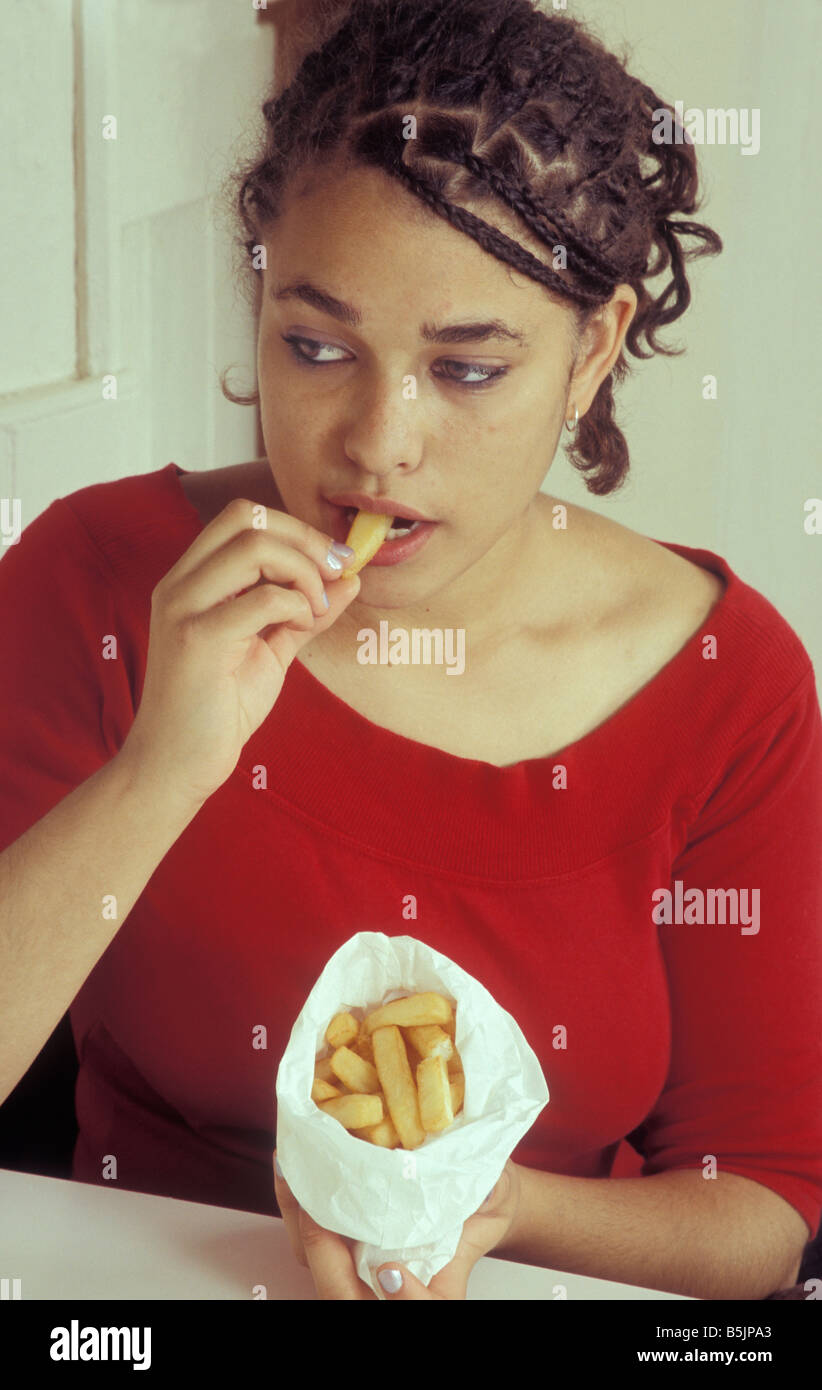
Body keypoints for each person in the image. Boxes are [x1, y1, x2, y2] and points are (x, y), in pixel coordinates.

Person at [0, 0, 820, 1302]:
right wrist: (165, 764)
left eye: (469, 369)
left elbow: (760, 1208)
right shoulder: (94, 575)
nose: (377, 443)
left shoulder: (731, 682)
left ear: (589, 350)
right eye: (317, 346)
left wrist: (480, 1208)